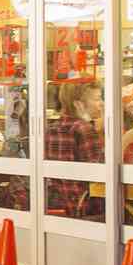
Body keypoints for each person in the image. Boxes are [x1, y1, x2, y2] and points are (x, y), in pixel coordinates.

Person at [45, 80, 105, 221]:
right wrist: (125, 139)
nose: (101, 103)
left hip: (59, 204)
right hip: (86, 207)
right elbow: (100, 174)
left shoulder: (52, 128)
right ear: (78, 104)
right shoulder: (84, 129)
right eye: (97, 99)